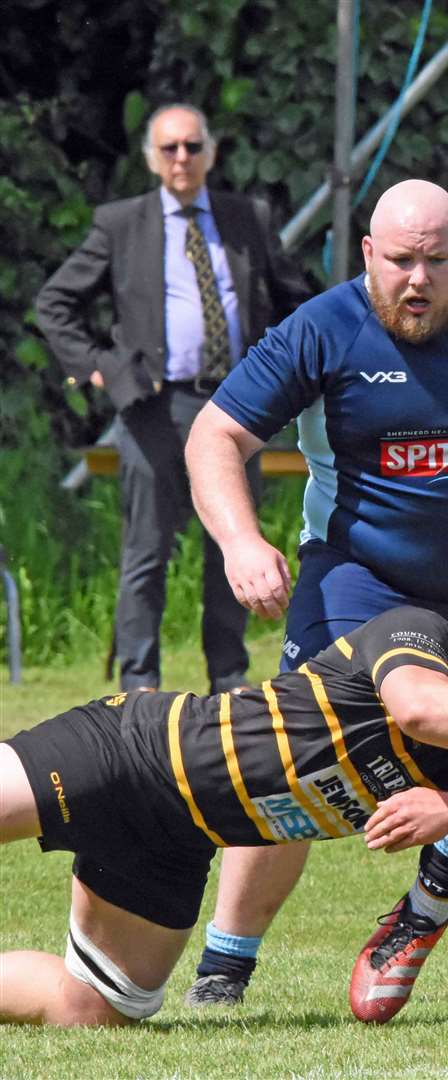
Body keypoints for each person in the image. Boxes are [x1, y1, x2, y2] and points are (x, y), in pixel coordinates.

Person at [181, 179, 448, 1006]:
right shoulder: (323, 325)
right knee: (283, 761)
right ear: (369, 256)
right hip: (358, 581)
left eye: (437, 262)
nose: (418, 280)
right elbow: (216, 434)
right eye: (401, 261)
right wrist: (241, 542)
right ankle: (224, 969)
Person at [0, 576, 448, 1028]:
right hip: (134, 752)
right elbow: (420, 710)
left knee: (95, 1009)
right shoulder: (421, 635)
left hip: (177, 843)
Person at [33, 102, 310, 696]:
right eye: (169, 148)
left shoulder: (247, 218)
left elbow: (295, 302)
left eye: (192, 146)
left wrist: (288, 377)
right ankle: (139, 686)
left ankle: (230, 679)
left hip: (238, 407)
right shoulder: (122, 222)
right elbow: (55, 304)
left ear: (210, 152)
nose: (181, 158)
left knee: (232, 543)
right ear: (151, 158)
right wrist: (99, 370)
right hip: (154, 408)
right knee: (147, 552)